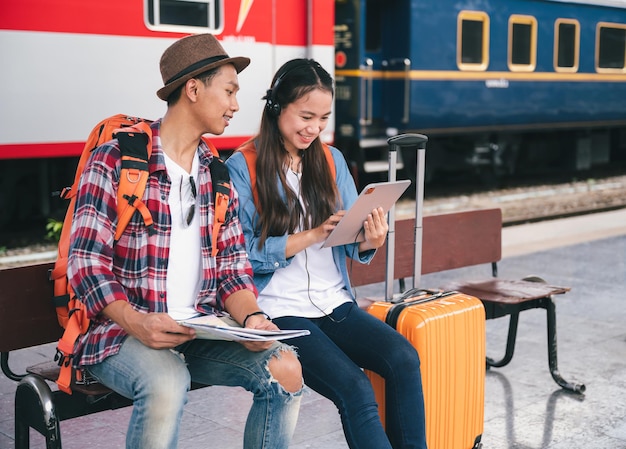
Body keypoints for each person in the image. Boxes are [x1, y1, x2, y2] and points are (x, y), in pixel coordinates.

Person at [67, 34, 303, 449]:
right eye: (229, 91)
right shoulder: (117, 160)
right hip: (123, 334)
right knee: (168, 379)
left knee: (285, 367)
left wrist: (251, 321)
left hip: (198, 331)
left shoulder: (217, 174)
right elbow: (86, 262)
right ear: (193, 89)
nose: (235, 105)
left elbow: (233, 268)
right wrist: (137, 321)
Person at [225, 59, 427, 449]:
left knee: (404, 358)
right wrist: (310, 234)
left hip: (334, 301)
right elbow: (242, 255)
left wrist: (371, 238)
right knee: (354, 388)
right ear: (276, 107)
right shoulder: (242, 166)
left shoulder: (332, 161)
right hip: (279, 308)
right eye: (305, 116)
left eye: (323, 118)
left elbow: (351, 239)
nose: (314, 128)